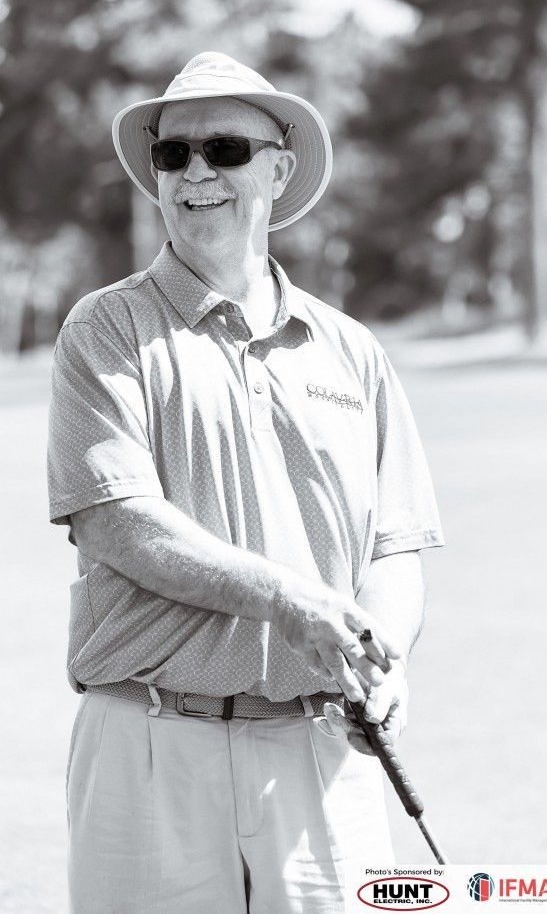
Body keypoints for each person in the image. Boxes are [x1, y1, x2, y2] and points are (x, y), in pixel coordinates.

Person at [47, 52, 445, 914]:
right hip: (149, 747)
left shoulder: (352, 350)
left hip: (320, 750)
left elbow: (396, 543)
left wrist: (386, 654)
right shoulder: (106, 328)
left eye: (225, 149)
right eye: (172, 153)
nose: (195, 173)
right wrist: (294, 601)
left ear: (278, 167)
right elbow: (120, 522)